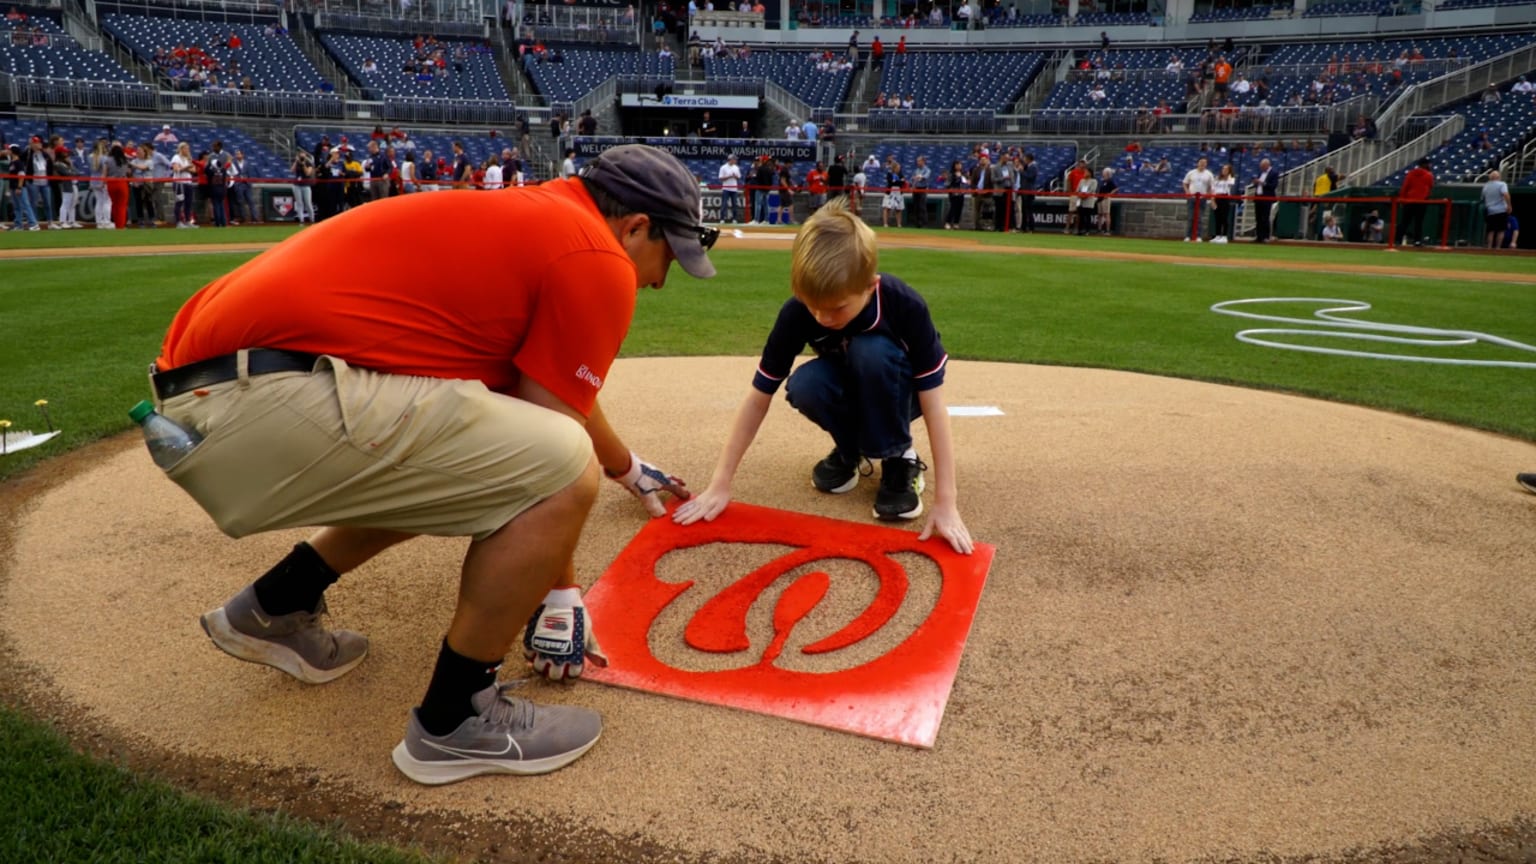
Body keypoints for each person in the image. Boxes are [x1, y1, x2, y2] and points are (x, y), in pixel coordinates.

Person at [148, 144, 715, 786]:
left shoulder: (541, 220)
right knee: (554, 463)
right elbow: (555, 436)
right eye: (667, 255)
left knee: (463, 460)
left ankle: (276, 605)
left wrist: (629, 468)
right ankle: (456, 719)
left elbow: (525, 411)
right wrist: (559, 593)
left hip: (205, 399)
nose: (661, 279)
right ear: (635, 225)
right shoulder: (596, 255)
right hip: (260, 403)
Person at [673, 198, 973, 553]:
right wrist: (720, 483)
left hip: (899, 395)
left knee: (871, 351)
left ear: (870, 286)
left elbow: (934, 402)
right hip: (853, 387)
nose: (823, 318)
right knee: (804, 385)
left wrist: (946, 502)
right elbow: (759, 396)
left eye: (836, 308)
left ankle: (898, 457)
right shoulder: (798, 312)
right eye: (812, 304)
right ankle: (850, 453)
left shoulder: (903, 305)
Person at [1396, 157, 1433, 247]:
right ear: (1425, 164)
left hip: (1409, 201)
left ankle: (1398, 240)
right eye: (1428, 163)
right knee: (1418, 222)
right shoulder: (1429, 175)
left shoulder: (1411, 173)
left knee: (1404, 222)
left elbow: (1405, 187)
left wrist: (1402, 199)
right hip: (1421, 201)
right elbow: (1430, 188)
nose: (1430, 165)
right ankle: (1417, 241)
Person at [1183, 157, 1214, 243]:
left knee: (1200, 218)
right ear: (1198, 163)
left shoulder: (1209, 174)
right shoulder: (1191, 173)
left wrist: (1207, 195)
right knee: (1190, 217)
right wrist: (1187, 192)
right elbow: (1185, 183)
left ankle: (1198, 236)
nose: (1202, 164)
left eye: (1204, 162)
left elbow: (1211, 186)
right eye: (1201, 162)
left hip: (1202, 199)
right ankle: (1188, 236)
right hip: (1192, 198)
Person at [1482, 169, 1511, 249]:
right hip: (1501, 210)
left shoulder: (1486, 185)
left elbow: (1483, 198)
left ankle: (1489, 247)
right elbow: (1505, 194)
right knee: (1501, 230)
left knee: (1490, 231)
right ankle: (1498, 248)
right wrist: (1509, 206)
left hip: (1490, 210)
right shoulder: (1502, 184)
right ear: (1499, 177)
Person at [1251, 157, 1278, 244]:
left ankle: (1265, 237)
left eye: (1262, 166)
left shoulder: (1273, 173)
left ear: (1267, 165)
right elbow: (1258, 184)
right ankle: (1259, 236)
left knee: (1265, 218)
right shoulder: (1260, 173)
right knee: (1258, 218)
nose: (1261, 168)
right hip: (1258, 197)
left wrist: (1263, 183)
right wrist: (1256, 183)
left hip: (1266, 198)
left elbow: (1273, 186)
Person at [1209, 163, 1236, 243]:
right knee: (1217, 217)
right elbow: (1213, 189)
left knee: (1224, 217)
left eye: (1226, 169)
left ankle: (1224, 236)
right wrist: (1212, 200)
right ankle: (1217, 235)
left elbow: (1231, 184)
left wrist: (1228, 176)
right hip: (1217, 197)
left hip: (1225, 197)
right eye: (1223, 169)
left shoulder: (1231, 178)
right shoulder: (1217, 178)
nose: (1224, 171)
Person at [718, 153, 742, 223]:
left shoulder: (736, 167)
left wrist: (735, 176)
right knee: (724, 204)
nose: (736, 161)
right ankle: (722, 218)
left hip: (734, 188)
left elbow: (739, 177)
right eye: (734, 159)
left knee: (735, 204)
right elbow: (720, 178)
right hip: (726, 188)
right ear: (730, 160)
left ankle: (734, 218)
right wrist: (729, 176)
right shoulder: (723, 167)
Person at [944, 159, 968, 230]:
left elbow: (966, 182)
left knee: (959, 209)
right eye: (957, 165)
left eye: (960, 164)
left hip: (961, 194)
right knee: (953, 208)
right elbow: (947, 184)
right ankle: (948, 222)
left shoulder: (963, 174)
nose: (959, 166)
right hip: (954, 194)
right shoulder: (951, 174)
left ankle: (956, 223)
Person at [909, 155, 930, 229]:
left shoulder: (927, 169)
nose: (918, 162)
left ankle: (924, 223)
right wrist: (912, 185)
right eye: (917, 161)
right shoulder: (916, 170)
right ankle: (917, 223)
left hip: (923, 189)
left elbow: (925, 177)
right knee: (916, 206)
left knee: (922, 206)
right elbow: (912, 179)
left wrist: (919, 177)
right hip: (916, 189)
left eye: (919, 161)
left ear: (923, 161)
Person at [1095, 167, 1116, 236]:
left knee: (1106, 214)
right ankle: (1099, 229)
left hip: (1105, 199)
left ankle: (1107, 230)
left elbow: (1115, 188)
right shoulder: (1102, 181)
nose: (1103, 173)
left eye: (1104, 172)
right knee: (1099, 214)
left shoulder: (1110, 181)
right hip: (1100, 198)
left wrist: (1109, 194)